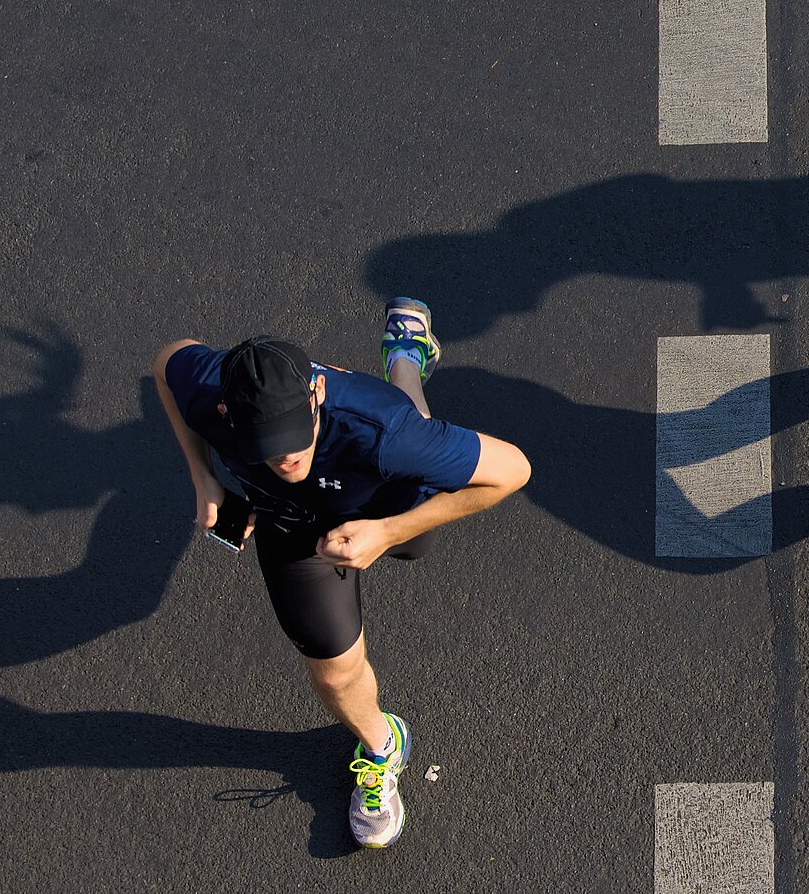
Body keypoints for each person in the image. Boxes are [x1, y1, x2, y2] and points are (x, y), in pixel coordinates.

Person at [151, 299, 530, 848]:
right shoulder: (209, 389)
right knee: (332, 670)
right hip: (291, 528)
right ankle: (381, 746)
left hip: (385, 503)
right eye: (266, 442)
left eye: (293, 433)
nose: (284, 458)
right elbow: (166, 362)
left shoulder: (383, 431)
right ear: (229, 414)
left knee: (416, 437)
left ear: (317, 394)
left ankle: (404, 356)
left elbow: (513, 470)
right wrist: (202, 476)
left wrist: (388, 532)